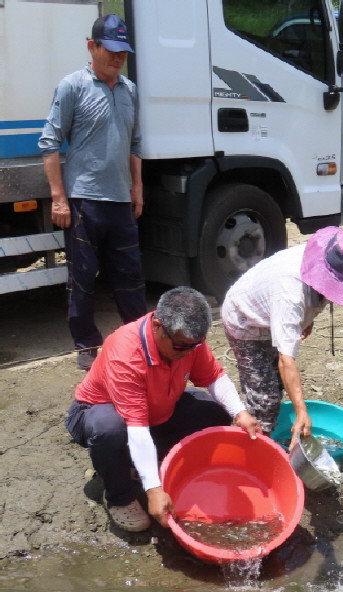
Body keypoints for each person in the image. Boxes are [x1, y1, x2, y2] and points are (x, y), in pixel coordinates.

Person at [64, 287, 261, 533]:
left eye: (195, 345)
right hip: (99, 412)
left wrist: (240, 413)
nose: (189, 352)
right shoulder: (126, 354)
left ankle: (142, 465)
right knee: (109, 429)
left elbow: (214, 377)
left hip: (155, 409)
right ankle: (119, 495)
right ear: (157, 326)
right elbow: (136, 425)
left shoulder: (189, 341)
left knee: (215, 413)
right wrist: (154, 489)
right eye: (182, 346)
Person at [39, 13, 147, 371]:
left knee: (130, 277)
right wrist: (58, 197)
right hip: (84, 201)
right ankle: (86, 344)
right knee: (83, 277)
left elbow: (135, 143)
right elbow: (50, 143)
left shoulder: (130, 90)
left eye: (123, 52)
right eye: (111, 50)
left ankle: (137, 337)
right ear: (92, 47)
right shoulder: (73, 86)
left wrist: (137, 187)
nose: (118, 58)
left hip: (120, 201)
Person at [222, 227, 343, 440]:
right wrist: (301, 412)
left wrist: (308, 319)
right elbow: (286, 361)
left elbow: (323, 293)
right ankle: (257, 447)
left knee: (277, 385)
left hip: (273, 313)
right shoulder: (290, 293)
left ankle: (267, 428)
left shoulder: (325, 257)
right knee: (264, 397)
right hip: (245, 321)